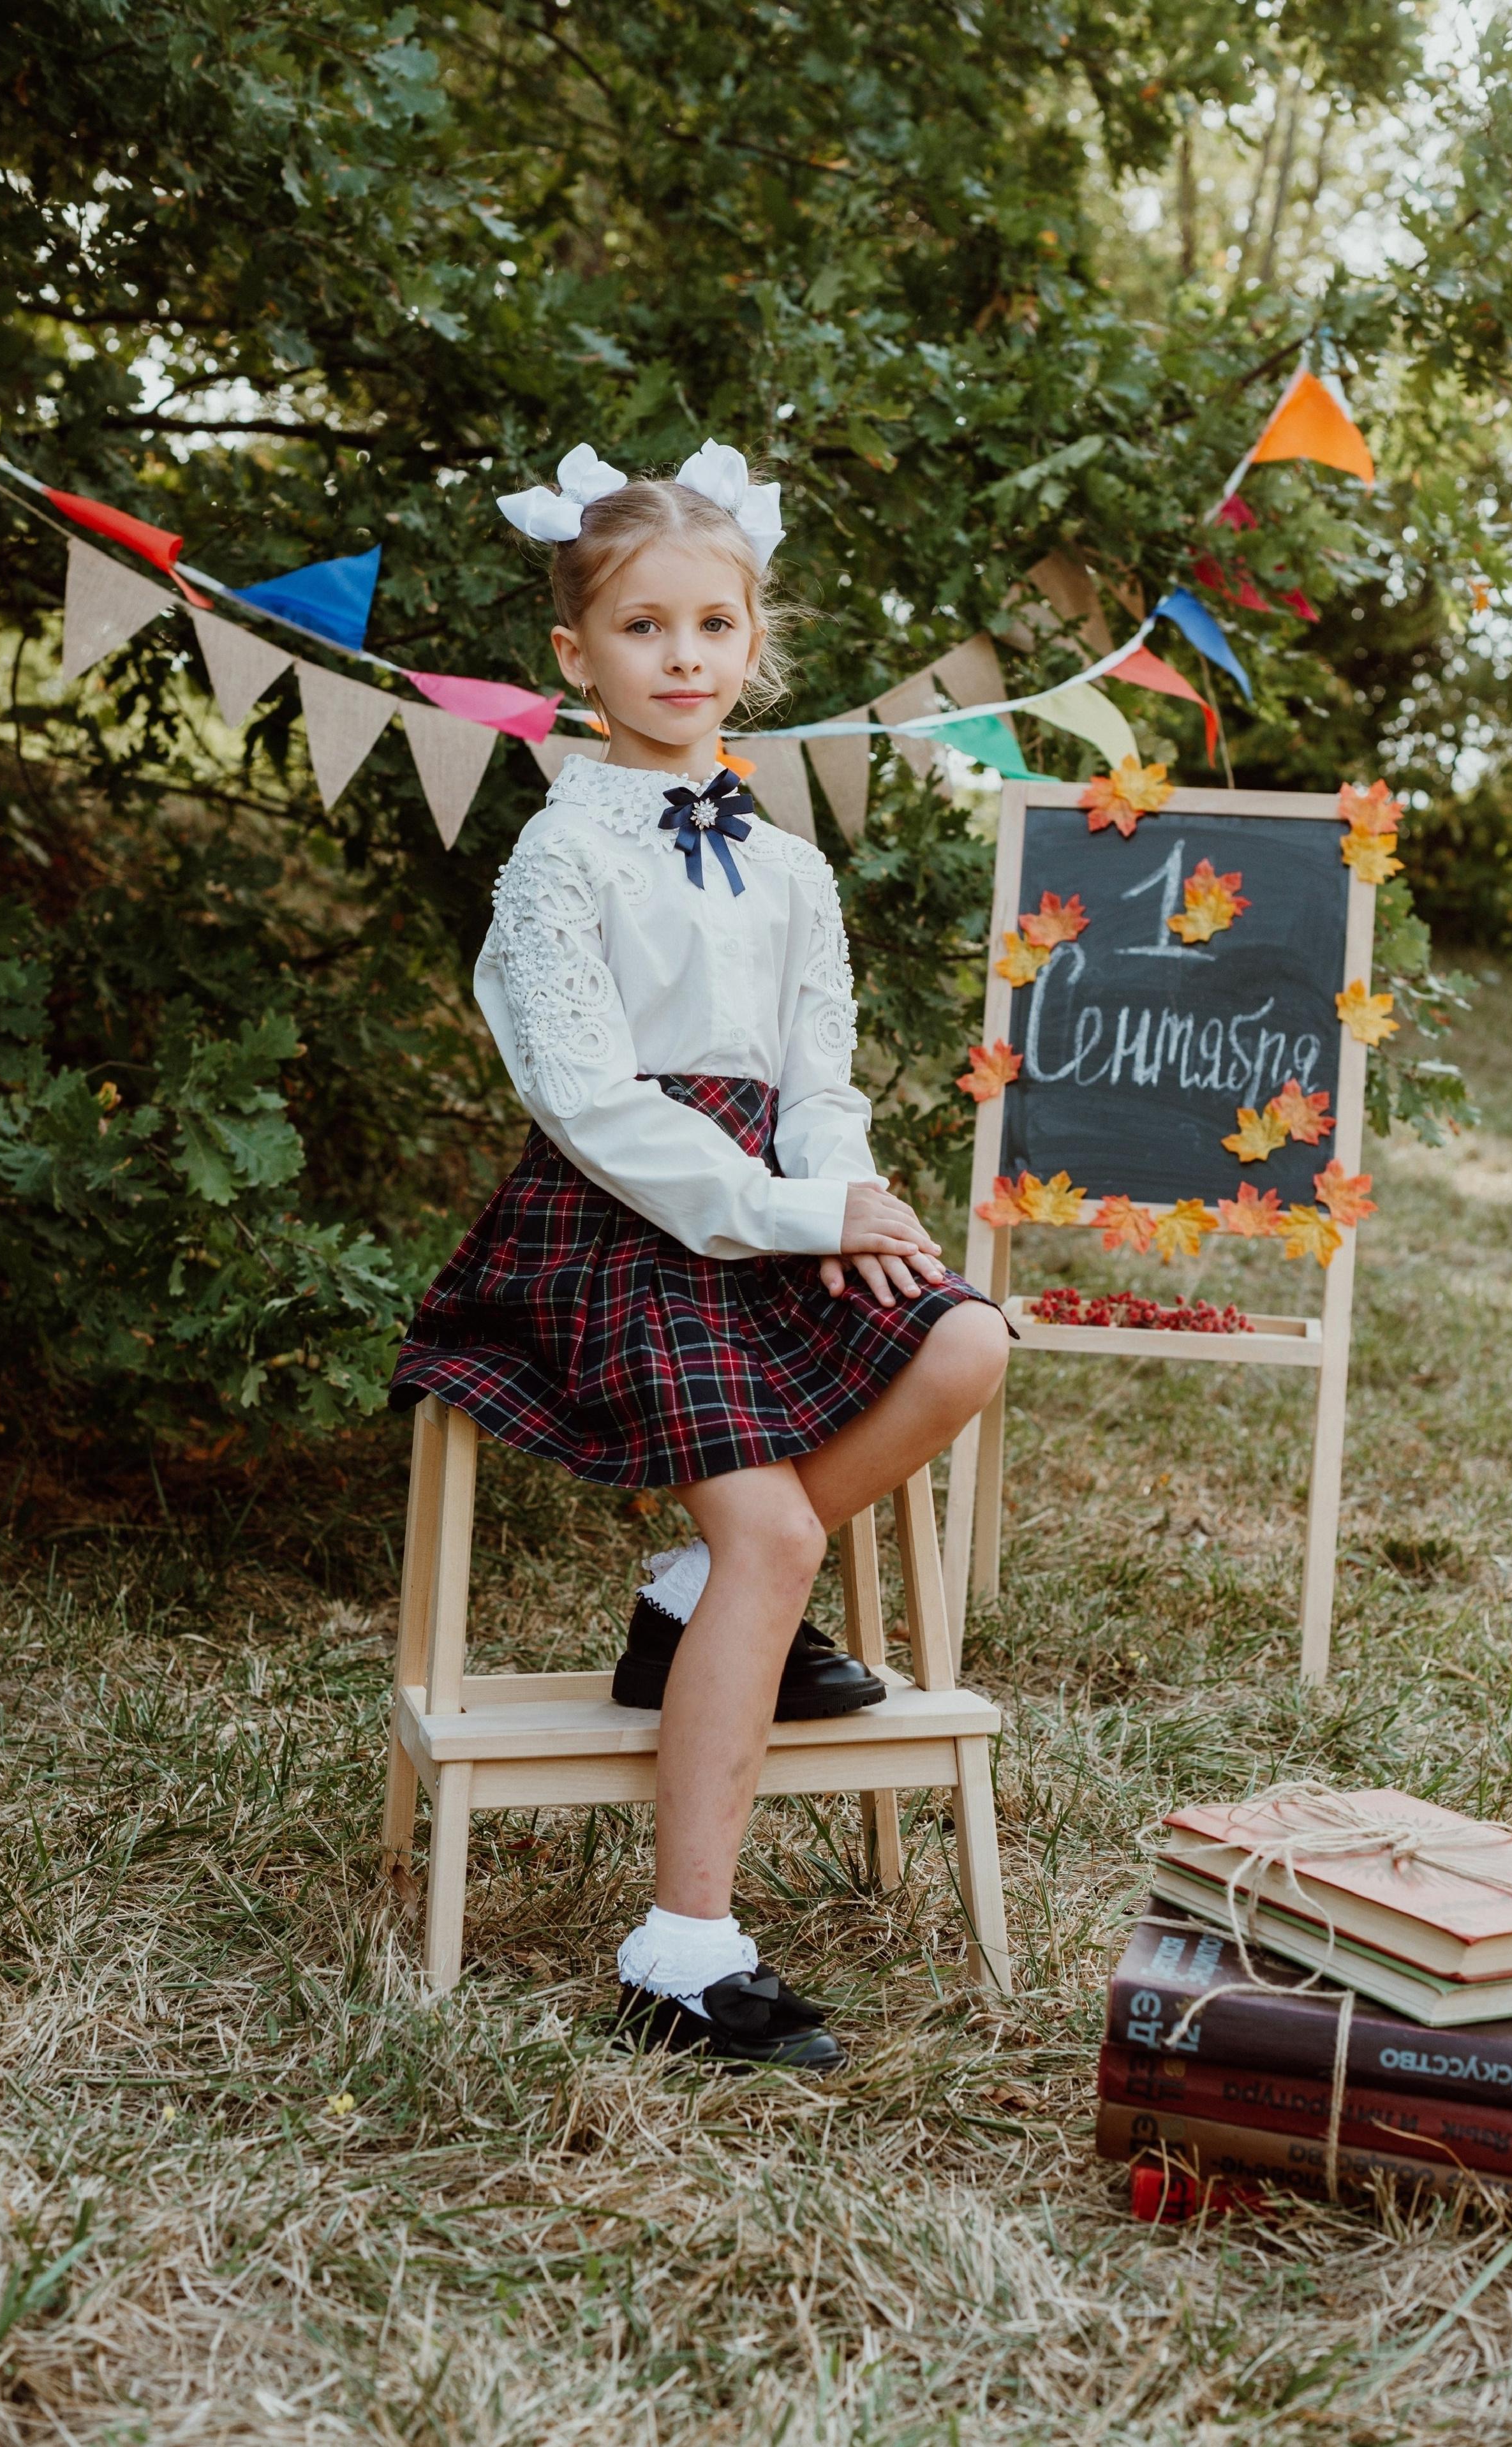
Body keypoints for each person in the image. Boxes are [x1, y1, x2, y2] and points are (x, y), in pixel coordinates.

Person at [390, 438, 1010, 2069]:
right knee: (776, 1543)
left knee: (966, 1341)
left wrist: (848, 1201)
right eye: (645, 628)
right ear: (574, 655)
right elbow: (594, 1101)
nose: (683, 659)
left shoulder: (791, 862)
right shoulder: (559, 854)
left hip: (768, 1209)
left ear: (754, 642)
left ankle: (686, 1596)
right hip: (619, 1227)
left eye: (713, 626)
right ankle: (682, 1951)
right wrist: (791, 1213)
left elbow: (817, 1076)